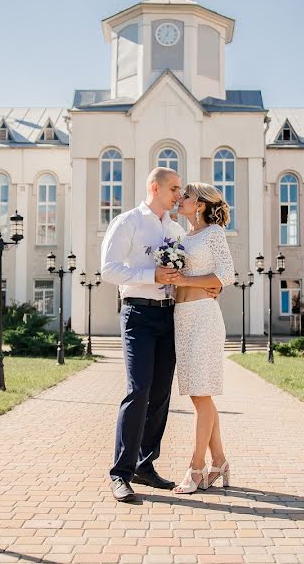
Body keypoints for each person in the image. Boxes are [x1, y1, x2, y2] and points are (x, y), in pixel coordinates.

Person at [100, 167, 221, 502]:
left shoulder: (176, 229)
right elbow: (108, 269)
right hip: (137, 313)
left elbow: (187, 272)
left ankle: (145, 465)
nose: (179, 195)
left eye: (182, 190)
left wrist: (209, 287)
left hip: (170, 316)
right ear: (155, 187)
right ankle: (120, 473)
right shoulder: (127, 222)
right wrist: (150, 274)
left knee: (160, 395)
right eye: (174, 189)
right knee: (137, 390)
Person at [169, 182, 235, 493]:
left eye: (186, 196)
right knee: (200, 394)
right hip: (182, 317)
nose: (180, 199)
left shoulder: (214, 234)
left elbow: (226, 275)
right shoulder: (185, 236)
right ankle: (219, 461)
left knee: (201, 394)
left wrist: (183, 279)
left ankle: (196, 467)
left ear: (201, 204)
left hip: (204, 318)